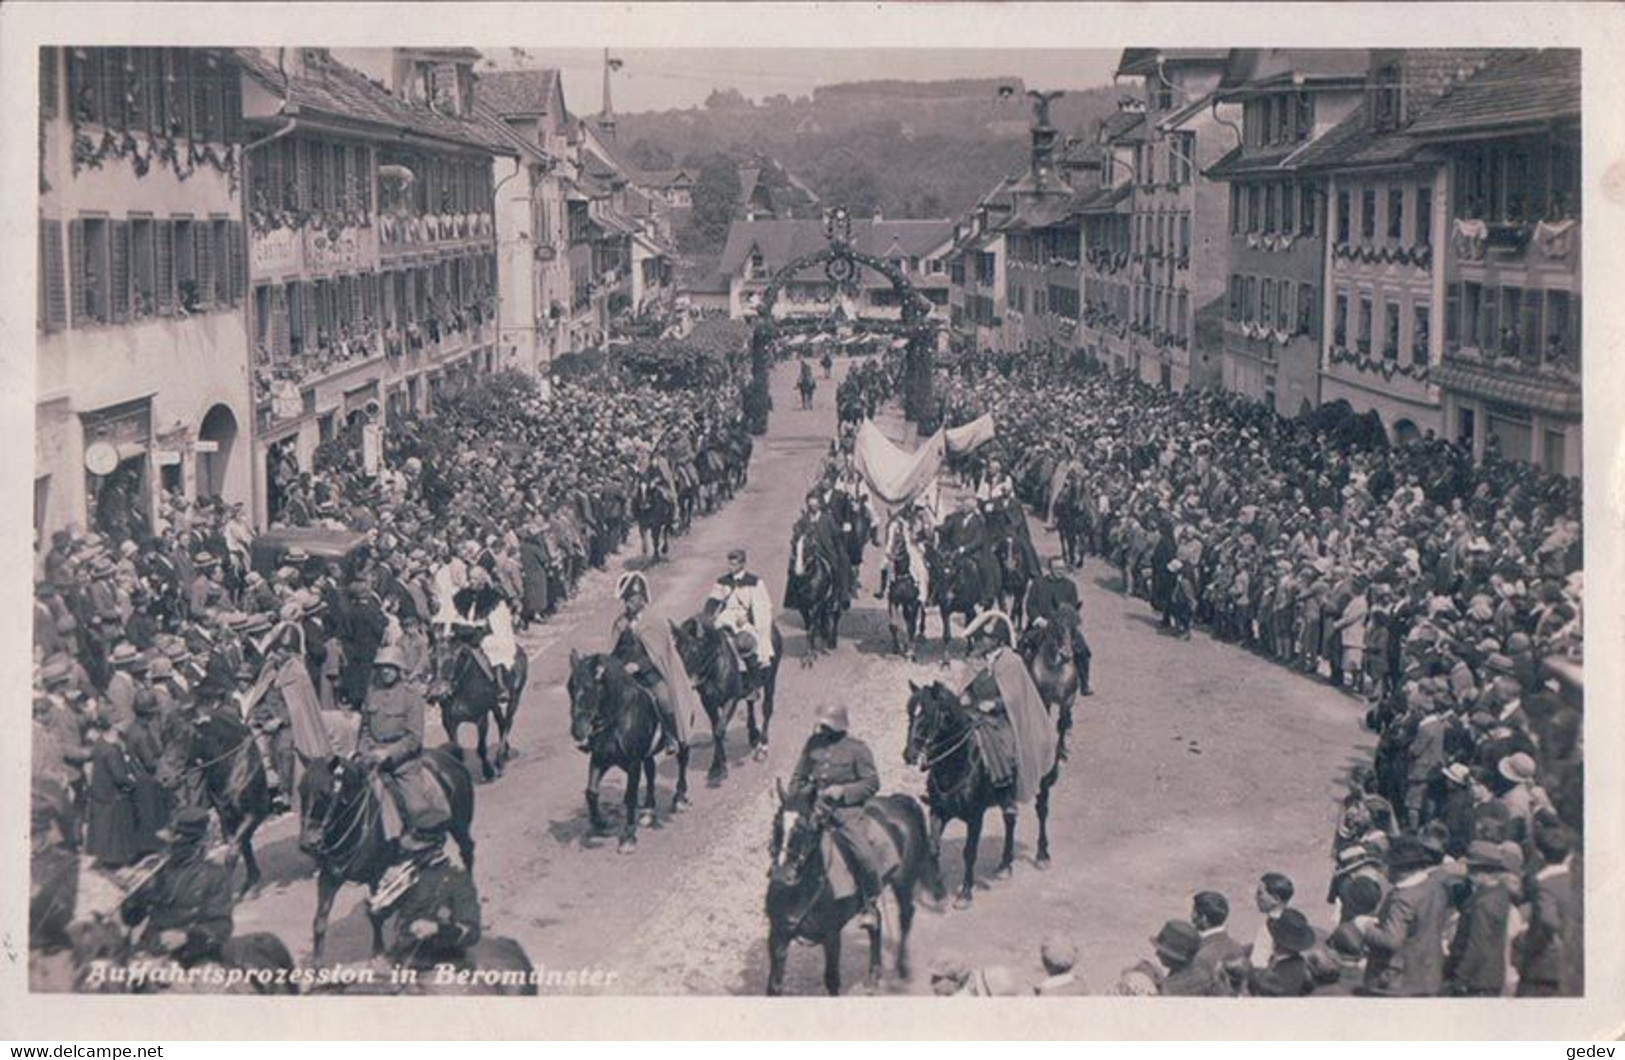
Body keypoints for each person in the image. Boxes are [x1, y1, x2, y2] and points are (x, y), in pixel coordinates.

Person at [786, 703, 889, 930]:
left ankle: (869, 903)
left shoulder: (857, 750)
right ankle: (791, 897)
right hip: (814, 808)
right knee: (790, 848)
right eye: (820, 724)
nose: (821, 729)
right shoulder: (812, 745)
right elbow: (797, 779)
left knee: (863, 854)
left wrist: (843, 791)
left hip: (845, 811)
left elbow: (872, 783)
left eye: (825, 725)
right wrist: (804, 793)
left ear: (838, 726)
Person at [121, 806, 234, 967]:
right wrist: (134, 897)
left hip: (195, 955)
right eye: (168, 841)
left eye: (174, 841)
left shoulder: (214, 874)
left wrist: (186, 937)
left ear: (193, 842)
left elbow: (222, 926)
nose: (168, 847)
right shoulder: (156, 870)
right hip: (151, 949)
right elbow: (131, 919)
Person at [359, 646, 447, 841]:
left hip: (403, 764)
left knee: (416, 809)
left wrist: (389, 753)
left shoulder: (411, 697)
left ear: (399, 669)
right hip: (372, 759)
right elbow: (364, 728)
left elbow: (414, 738)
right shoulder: (372, 693)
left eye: (390, 667)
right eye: (381, 667)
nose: (385, 671)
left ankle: (428, 843)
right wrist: (365, 750)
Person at [372, 827, 483, 972]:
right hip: (404, 955)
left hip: (444, 961)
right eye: (406, 853)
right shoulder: (409, 873)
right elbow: (379, 913)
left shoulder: (457, 878)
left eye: (414, 853)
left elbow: (472, 932)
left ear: (434, 850)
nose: (407, 857)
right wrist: (381, 891)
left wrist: (436, 929)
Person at [610, 572, 697, 756]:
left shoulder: (655, 621)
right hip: (625, 673)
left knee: (664, 698)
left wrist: (639, 666)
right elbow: (615, 650)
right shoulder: (620, 623)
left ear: (642, 599)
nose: (628, 604)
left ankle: (671, 736)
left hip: (649, 673)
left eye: (632, 599)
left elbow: (659, 654)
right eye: (626, 600)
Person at [1360, 835, 1452, 996]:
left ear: (1400, 869)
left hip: (1399, 979)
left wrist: (1365, 927)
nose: (1384, 872)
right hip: (1430, 972)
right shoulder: (1435, 887)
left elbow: (1391, 940)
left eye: (1387, 866)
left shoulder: (1403, 898)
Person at [1021, 555, 1093, 695]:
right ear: (1050, 569)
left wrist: (1067, 623)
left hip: (1064, 627)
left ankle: (1084, 683)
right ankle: (1026, 681)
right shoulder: (1038, 584)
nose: (1061, 571)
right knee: (1024, 647)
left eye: (1063, 568)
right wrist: (1038, 620)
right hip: (1042, 625)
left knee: (1083, 651)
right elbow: (1031, 605)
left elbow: (1072, 609)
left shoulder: (1070, 586)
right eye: (1057, 568)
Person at [450, 565, 519, 706]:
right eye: (470, 578)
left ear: (482, 580)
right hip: (465, 631)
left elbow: (498, 622)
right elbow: (458, 615)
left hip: (486, 633)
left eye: (475, 579)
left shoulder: (493, 598)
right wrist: (460, 625)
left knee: (492, 647)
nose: (471, 581)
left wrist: (481, 629)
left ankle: (500, 686)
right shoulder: (462, 596)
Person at [707, 547, 776, 679]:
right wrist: (708, 616)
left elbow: (762, 605)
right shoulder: (723, 581)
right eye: (729, 564)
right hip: (726, 615)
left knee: (749, 640)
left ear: (742, 564)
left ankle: (751, 671)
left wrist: (749, 618)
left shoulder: (754, 582)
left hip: (744, 616)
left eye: (734, 564)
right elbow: (713, 600)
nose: (730, 567)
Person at [1191, 890, 1247, 991]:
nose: (1191, 917)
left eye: (1193, 912)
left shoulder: (1198, 953)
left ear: (1203, 918)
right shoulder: (1237, 947)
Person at [1150, 919, 1220, 996]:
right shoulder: (1202, 968)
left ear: (1175, 956)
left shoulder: (1172, 987)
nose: (1156, 954)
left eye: (1162, 951)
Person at [1248, 872, 1295, 970]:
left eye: (1260, 893)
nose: (1256, 897)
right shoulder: (1296, 922)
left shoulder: (1267, 929)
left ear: (1276, 899)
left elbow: (1258, 965)